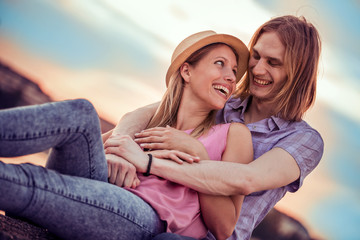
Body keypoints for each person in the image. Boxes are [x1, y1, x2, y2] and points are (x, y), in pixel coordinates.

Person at [0, 30, 252, 240]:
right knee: (82, 111)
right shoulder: (148, 122)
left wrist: (199, 155)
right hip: (103, 193)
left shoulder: (233, 135)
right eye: (220, 63)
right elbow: (80, 148)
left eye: (234, 70)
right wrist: (114, 155)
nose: (231, 77)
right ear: (186, 72)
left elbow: (223, 228)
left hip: (146, 217)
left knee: (37, 182)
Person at [103, 15, 324, 240]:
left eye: (273, 62)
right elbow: (147, 113)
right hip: (165, 216)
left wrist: (150, 163)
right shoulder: (222, 99)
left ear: (297, 74)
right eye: (255, 56)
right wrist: (119, 151)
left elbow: (247, 179)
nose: (257, 70)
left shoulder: (303, 140)